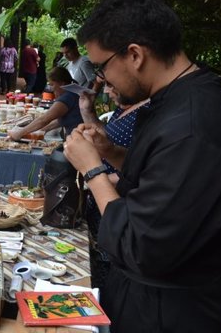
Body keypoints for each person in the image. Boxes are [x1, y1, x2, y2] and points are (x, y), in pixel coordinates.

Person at [63, 0, 221, 332]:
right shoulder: (179, 98)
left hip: (169, 312)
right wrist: (112, 153)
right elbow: (166, 176)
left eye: (102, 68)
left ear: (134, 54)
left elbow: (141, 244)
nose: (102, 81)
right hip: (148, 297)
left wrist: (93, 171)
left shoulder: (194, 123)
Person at [79, 82, 150, 291]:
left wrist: (93, 175)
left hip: (119, 208)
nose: (107, 91)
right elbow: (109, 140)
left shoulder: (151, 113)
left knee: (111, 273)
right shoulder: (126, 103)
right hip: (102, 199)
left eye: (110, 84)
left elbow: (145, 168)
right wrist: (87, 112)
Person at [9, 67, 83, 140]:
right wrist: (42, 130)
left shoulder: (67, 97)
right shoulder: (72, 93)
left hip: (79, 140)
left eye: (52, 85)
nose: (51, 88)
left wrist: (19, 133)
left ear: (62, 83)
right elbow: (59, 121)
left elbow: (44, 119)